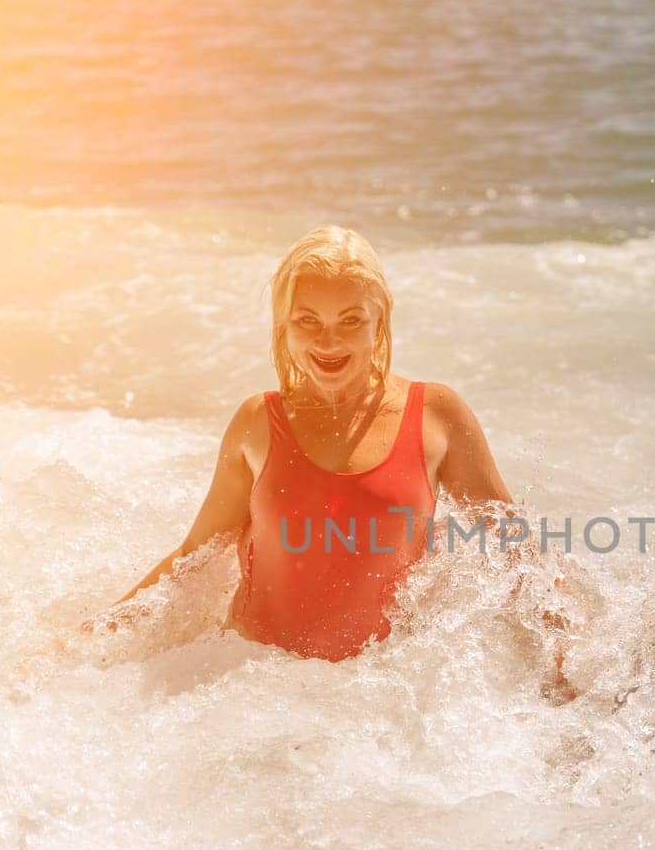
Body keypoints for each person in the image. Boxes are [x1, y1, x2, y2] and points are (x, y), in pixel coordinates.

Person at [109, 226, 518, 662]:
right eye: (308, 320)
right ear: (283, 324)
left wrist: (571, 654)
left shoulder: (436, 415)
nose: (329, 341)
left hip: (375, 691)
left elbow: (515, 548)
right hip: (252, 679)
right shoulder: (257, 424)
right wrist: (87, 642)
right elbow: (196, 560)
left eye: (351, 320)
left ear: (381, 320)